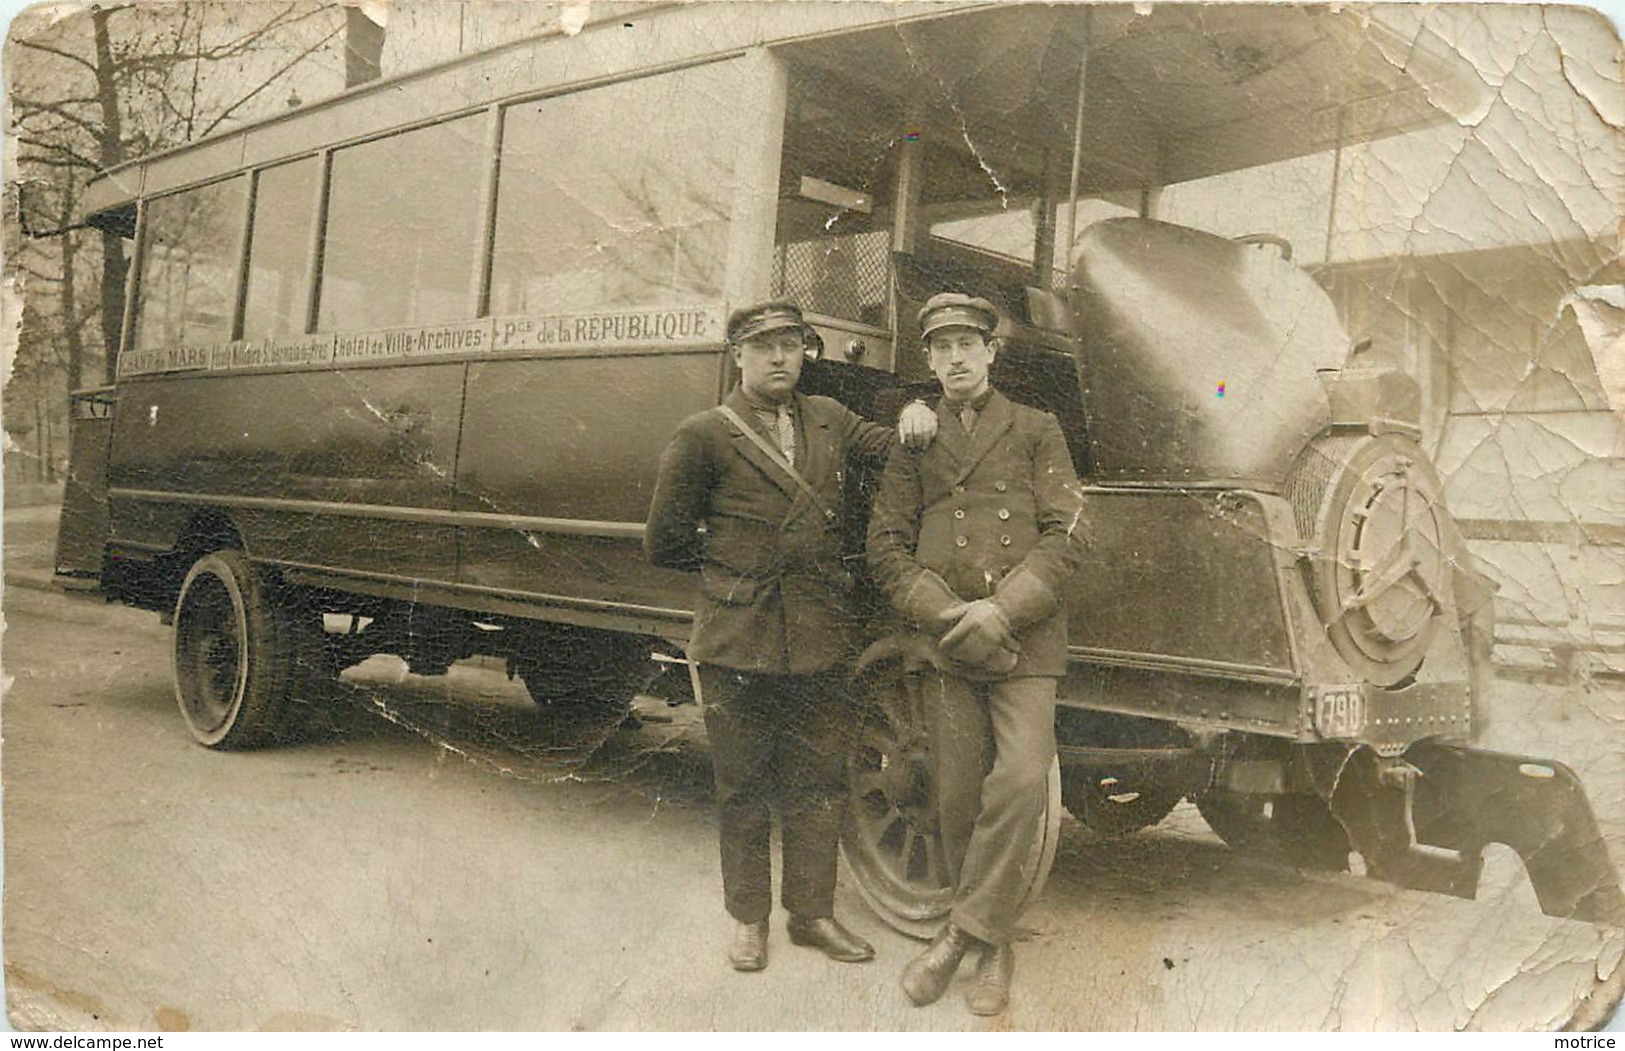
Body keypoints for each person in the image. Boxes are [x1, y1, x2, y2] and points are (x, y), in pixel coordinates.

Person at [645, 300, 937, 972]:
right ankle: (748, 920)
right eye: (764, 345)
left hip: (818, 637)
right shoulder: (703, 434)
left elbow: (893, 446)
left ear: (805, 353)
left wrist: (917, 412)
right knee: (742, 788)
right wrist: (734, 571)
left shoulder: (831, 418)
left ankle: (811, 914)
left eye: (791, 344)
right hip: (735, 638)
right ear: (738, 356)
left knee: (816, 785)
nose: (780, 357)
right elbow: (663, 542)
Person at [867, 292, 1086, 1015]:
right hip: (951, 641)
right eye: (942, 346)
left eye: (968, 343)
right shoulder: (914, 440)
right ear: (928, 360)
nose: (956, 356)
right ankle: (992, 946)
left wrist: (1003, 608)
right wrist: (947, 611)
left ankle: (962, 937)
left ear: (992, 352)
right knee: (956, 796)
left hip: (1024, 639)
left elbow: (1065, 534)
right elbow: (886, 547)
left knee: (1020, 779)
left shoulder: (1035, 427)